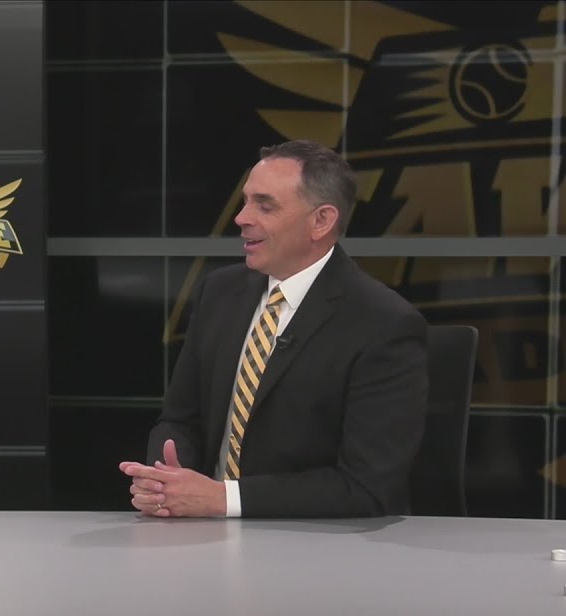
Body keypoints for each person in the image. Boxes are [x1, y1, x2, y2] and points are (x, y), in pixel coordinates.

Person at [122, 140, 428, 518]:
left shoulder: (383, 323)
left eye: (264, 206)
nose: (241, 218)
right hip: (199, 531)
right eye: (246, 201)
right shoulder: (220, 292)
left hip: (314, 541)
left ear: (321, 221)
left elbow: (366, 486)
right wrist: (166, 482)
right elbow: (180, 419)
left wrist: (223, 498)